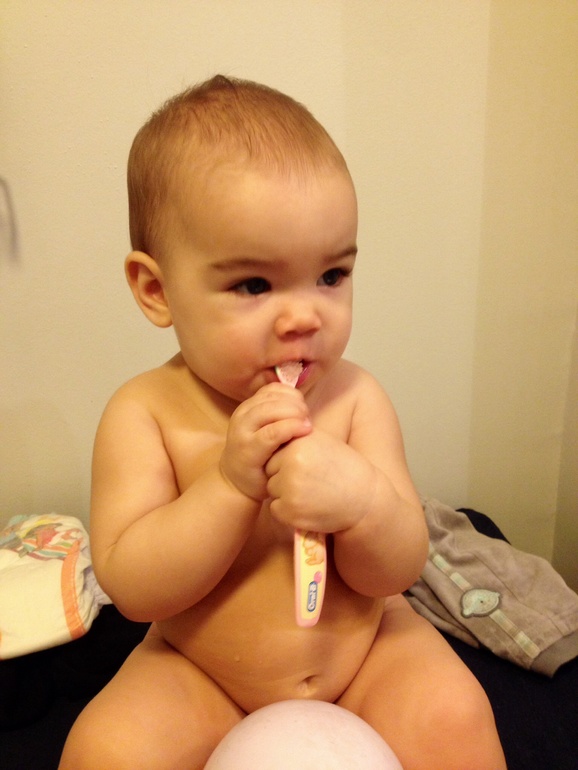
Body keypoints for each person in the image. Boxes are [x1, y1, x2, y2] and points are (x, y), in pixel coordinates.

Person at [59, 76, 506, 770]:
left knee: (456, 713)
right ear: (157, 290)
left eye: (331, 275)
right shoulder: (144, 413)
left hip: (365, 659)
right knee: (104, 751)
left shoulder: (356, 399)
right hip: (201, 674)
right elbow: (134, 589)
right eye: (254, 285)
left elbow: (400, 567)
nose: (305, 316)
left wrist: (361, 505)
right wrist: (229, 487)